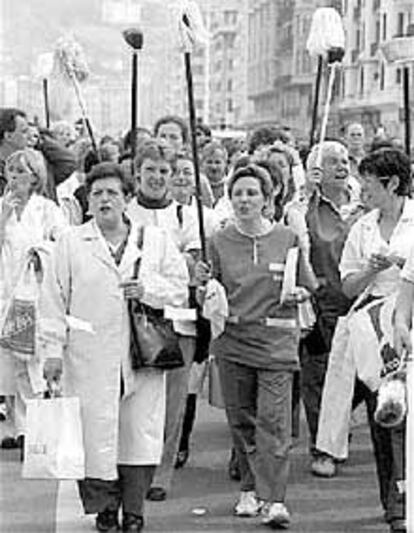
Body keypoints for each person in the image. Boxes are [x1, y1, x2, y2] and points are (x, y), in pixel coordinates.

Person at [40, 162, 189, 533]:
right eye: (97, 194)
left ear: (127, 199)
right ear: (88, 203)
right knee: (94, 435)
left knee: (138, 434)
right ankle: (105, 508)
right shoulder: (72, 243)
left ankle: (135, 510)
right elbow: (53, 300)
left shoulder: (153, 241)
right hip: (88, 357)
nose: (105, 199)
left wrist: (148, 290)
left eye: (112, 193)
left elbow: (180, 288)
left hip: (142, 356)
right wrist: (53, 351)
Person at [196, 163, 314, 529]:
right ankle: (249, 488)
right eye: (238, 193)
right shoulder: (216, 241)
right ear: (229, 200)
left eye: (252, 193)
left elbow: (309, 284)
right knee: (242, 421)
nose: (244, 199)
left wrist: (298, 293)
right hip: (232, 344)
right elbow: (207, 293)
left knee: (273, 423)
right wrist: (201, 285)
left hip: (277, 345)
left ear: (267, 198)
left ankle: (275, 500)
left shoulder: (287, 238)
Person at [318, 148, 412, 533]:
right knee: (385, 412)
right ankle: (394, 504)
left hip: (410, 315)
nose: (363, 193)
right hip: (373, 326)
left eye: (370, 186)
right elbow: (347, 285)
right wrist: (372, 269)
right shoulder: (362, 227)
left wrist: (403, 266)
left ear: (391, 184)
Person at [127, 140, 199, 501]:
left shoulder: (187, 216)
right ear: (136, 173)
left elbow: (193, 269)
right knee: (136, 399)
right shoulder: (124, 213)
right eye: (150, 169)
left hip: (177, 321)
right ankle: (132, 466)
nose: (157, 177)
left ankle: (161, 474)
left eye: (164, 170)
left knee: (172, 404)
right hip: (132, 321)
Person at [300, 141, 364, 478]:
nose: (342, 166)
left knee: (357, 381)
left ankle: (339, 429)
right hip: (321, 307)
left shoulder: (364, 207)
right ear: (316, 171)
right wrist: (303, 192)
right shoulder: (306, 209)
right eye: (332, 162)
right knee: (318, 380)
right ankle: (322, 447)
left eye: (344, 160)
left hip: (362, 305)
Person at [0, 148, 67, 451]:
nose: (14, 178)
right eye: (11, 171)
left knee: (35, 360)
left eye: (21, 172)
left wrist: (40, 251)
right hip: (6, 292)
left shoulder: (47, 209)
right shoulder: (2, 206)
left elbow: (62, 243)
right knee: (11, 360)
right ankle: (19, 426)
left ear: (35, 177)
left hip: (36, 293)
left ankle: (38, 428)